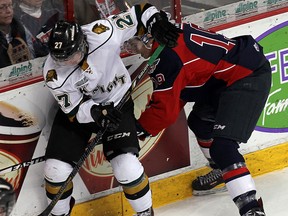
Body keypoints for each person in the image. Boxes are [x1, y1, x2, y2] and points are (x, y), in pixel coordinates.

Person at [42, 3, 180, 216]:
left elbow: (140, 12)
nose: (65, 63)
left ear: (81, 44)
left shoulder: (103, 33)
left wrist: (156, 22)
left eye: (70, 56)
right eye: (61, 59)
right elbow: (74, 111)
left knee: (126, 166)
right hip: (83, 114)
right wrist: (96, 112)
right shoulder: (53, 72)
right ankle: (59, 213)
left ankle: (145, 213)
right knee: (55, 169)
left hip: (118, 104)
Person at [127, 22, 271, 216]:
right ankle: (221, 170)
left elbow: (165, 111)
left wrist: (136, 129)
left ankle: (251, 209)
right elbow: (178, 92)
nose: (132, 49)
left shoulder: (166, 59)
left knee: (223, 147)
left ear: (149, 38)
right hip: (224, 76)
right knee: (200, 121)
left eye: (135, 44)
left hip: (247, 75)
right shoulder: (171, 33)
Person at [0, 0, 36, 68]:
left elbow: (33, 57)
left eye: (10, 5)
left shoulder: (20, 28)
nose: (9, 11)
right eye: (2, 7)